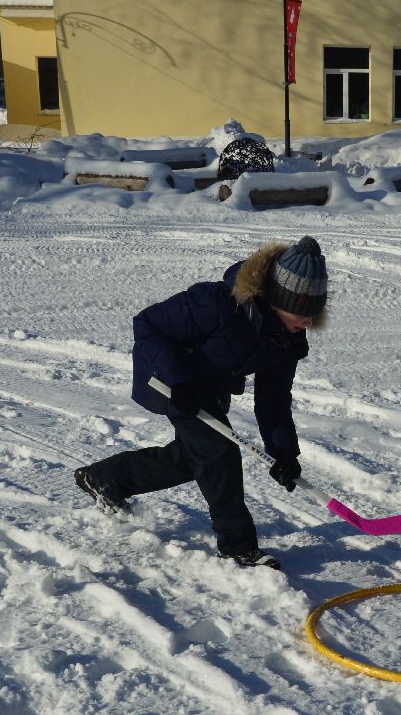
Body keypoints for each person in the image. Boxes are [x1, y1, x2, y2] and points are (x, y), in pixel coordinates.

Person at [73, 237, 328, 569]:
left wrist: (283, 453)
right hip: (169, 379)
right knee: (218, 454)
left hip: (209, 388)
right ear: (279, 298)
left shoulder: (287, 338)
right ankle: (238, 548)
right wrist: (178, 380)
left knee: (194, 458)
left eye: (313, 313)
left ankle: (105, 478)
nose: (307, 322)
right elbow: (147, 325)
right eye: (300, 312)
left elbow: (274, 399)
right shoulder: (219, 303)